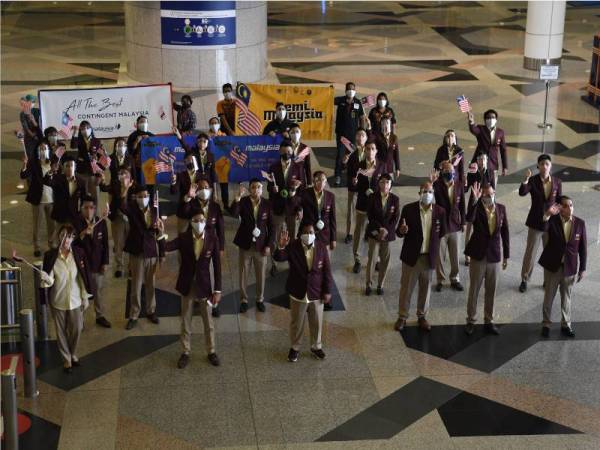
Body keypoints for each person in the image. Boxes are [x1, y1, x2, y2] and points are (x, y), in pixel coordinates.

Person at [163, 211, 221, 368]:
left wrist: (218, 290)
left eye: (202, 219)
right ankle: (185, 351)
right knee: (185, 319)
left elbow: (217, 265)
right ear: (191, 222)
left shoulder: (212, 238)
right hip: (187, 284)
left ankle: (211, 351)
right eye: (196, 220)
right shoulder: (184, 237)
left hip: (205, 285)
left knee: (208, 321)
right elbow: (168, 247)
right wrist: (161, 235)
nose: (200, 222)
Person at [275, 223, 333, 362]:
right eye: (306, 232)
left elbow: (327, 271)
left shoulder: (321, 248)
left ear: (315, 233)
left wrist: (327, 291)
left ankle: (316, 346)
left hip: (316, 292)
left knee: (317, 322)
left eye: (311, 232)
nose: (309, 235)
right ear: (301, 234)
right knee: (297, 323)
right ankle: (295, 348)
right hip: (297, 291)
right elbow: (279, 257)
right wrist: (281, 246)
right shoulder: (293, 246)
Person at [394, 182, 446, 332]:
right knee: (406, 288)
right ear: (419, 193)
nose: (427, 194)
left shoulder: (440, 212)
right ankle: (402, 316)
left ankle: (422, 316)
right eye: (424, 191)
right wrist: (403, 231)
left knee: (425, 288)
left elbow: (441, 233)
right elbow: (399, 232)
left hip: (428, 257)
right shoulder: (408, 209)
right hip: (411, 256)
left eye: (430, 191)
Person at [40, 224, 92, 373]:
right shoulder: (51, 256)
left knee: (77, 328)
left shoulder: (78, 253)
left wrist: (85, 297)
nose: (66, 239)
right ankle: (67, 359)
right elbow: (50, 280)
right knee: (61, 332)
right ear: (59, 237)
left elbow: (82, 277)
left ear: (73, 238)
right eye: (63, 235)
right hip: (58, 300)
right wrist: (46, 277)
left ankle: (73, 353)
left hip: (75, 299)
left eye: (69, 236)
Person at [464, 182, 509, 335]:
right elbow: (468, 218)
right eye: (485, 195)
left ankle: (489, 320)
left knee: (492, 290)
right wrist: (474, 201)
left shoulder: (501, 209)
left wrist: (506, 255)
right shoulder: (477, 208)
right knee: (474, 290)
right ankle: (471, 320)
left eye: (490, 194)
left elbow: (505, 232)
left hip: (495, 256)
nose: (488, 197)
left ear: (494, 192)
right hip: (478, 255)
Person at [538, 197, 586, 338]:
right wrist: (547, 215)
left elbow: (583, 248)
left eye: (571, 205)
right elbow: (543, 228)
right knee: (549, 297)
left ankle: (566, 324)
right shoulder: (552, 220)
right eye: (565, 206)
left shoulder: (580, 223)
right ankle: (546, 324)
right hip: (553, 266)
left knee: (567, 298)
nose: (569, 208)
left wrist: (582, 268)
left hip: (569, 267)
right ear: (560, 208)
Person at [120, 184, 166, 329]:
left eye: (146, 196)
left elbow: (160, 233)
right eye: (140, 196)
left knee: (151, 284)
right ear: (136, 198)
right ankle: (134, 314)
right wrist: (125, 189)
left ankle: (151, 311)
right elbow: (122, 206)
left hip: (151, 251)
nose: (143, 198)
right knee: (136, 285)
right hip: (137, 252)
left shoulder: (155, 210)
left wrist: (162, 253)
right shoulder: (132, 209)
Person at [179, 179, 225, 318]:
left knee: (210, 272)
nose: (204, 190)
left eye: (206, 187)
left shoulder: (215, 207)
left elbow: (220, 228)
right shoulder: (192, 204)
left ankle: (214, 304)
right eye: (201, 187)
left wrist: (221, 247)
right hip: (194, 242)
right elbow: (183, 212)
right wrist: (188, 197)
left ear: (210, 189)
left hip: (210, 244)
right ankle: (197, 299)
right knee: (196, 272)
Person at [518, 154, 562, 292]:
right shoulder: (533, 180)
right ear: (538, 166)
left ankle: (547, 280)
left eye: (547, 164)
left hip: (551, 224)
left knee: (549, 253)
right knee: (530, 253)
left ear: (551, 166)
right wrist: (525, 180)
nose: (544, 166)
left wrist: (556, 214)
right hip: (535, 223)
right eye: (542, 164)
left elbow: (559, 202)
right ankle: (525, 279)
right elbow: (522, 192)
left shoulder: (557, 182)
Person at [231, 179, 275, 313]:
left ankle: (259, 299)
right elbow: (234, 213)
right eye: (253, 187)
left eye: (259, 187)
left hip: (261, 245)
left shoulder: (267, 204)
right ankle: (244, 299)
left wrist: (268, 245)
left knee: (261, 274)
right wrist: (237, 199)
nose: (256, 190)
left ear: (262, 189)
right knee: (243, 273)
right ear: (250, 189)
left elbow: (272, 227)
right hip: (245, 243)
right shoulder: (243, 202)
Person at [267, 140, 305, 275]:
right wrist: (273, 189)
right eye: (284, 152)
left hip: (292, 208)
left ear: (292, 152)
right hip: (277, 208)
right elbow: (268, 188)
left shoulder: (298, 167)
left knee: (293, 238)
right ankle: (274, 263)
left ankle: (292, 262)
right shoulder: (273, 167)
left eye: (289, 152)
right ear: (279, 152)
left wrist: (300, 208)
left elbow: (302, 191)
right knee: (274, 236)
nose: (287, 154)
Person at [73, 195, 111, 328]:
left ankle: (99, 315)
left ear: (95, 209)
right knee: (81, 292)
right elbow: (73, 244)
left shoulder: (101, 222)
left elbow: (106, 244)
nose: (89, 210)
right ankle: (81, 319)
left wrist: (105, 262)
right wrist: (83, 233)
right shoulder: (76, 223)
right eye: (86, 208)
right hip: (83, 265)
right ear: (81, 209)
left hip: (97, 263)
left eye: (92, 207)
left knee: (98, 291)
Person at [364, 174, 400, 295]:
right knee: (372, 259)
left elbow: (395, 218)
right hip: (374, 232)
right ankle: (368, 284)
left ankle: (380, 285)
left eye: (387, 183)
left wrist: (386, 230)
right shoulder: (372, 197)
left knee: (385, 260)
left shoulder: (395, 199)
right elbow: (370, 216)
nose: (385, 185)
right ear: (379, 184)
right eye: (382, 182)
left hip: (387, 235)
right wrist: (380, 229)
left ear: (390, 185)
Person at [433, 161, 466, 292]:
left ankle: (455, 278)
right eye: (446, 171)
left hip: (455, 225)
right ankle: (440, 279)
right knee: (439, 255)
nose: (449, 173)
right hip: (441, 225)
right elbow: (429, 198)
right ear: (442, 172)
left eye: (451, 171)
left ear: (454, 172)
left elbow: (462, 204)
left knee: (455, 254)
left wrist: (463, 222)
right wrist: (432, 182)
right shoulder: (436, 185)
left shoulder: (459, 185)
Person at [352, 141, 384, 274]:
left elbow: (386, 184)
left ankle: (376, 260)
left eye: (372, 149)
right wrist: (356, 184)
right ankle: (357, 260)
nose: (370, 151)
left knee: (376, 231)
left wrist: (376, 193)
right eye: (368, 149)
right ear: (364, 151)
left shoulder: (381, 166)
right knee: (359, 232)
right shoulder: (359, 165)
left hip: (377, 205)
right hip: (362, 204)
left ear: (376, 151)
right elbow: (355, 185)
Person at [21, 140, 55, 256]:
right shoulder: (33, 163)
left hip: (51, 200)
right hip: (38, 200)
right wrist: (24, 165)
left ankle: (51, 244)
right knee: (37, 224)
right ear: (37, 151)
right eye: (41, 149)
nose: (43, 150)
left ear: (48, 150)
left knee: (51, 225)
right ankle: (37, 246)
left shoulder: (53, 163)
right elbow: (24, 175)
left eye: (45, 148)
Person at [293, 171, 337, 261]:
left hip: (325, 236)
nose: (320, 183)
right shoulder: (305, 193)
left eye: (323, 180)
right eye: (318, 180)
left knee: (325, 261)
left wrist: (333, 239)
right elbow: (296, 204)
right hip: (308, 234)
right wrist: (299, 210)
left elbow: (332, 219)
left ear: (326, 182)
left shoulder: (330, 196)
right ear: (313, 181)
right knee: (308, 261)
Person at [100, 167, 133, 278]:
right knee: (118, 244)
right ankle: (119, 266)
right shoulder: (114, 185)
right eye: (121, 175)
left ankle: (131, 266)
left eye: (126, 175)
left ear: (130, 177)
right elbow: (106, 192)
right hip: (118, 217)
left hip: (131, 219)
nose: (123, 178)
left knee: (132, 242)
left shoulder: (134, 186)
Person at [464, 152, 494, 266]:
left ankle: (480, 252)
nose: (482, 161)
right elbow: (465, 189)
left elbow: (493, 190)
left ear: (487, 160)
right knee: (469, 230)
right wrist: (465, 183)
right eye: (480, 159)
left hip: (485, 205)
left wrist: (492, 205)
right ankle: (467, 255)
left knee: (483, 229)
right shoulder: (472, 172)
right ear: (477, 160)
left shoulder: (490, 172)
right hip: (473, 204)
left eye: (484, 159)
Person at [334, 82, 367, 186]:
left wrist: (362, 130)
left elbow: (361, 117)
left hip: (353, 136)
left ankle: (352, 174)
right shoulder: (340, 101)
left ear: (355, 90)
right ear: (345, 90)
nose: (350, 91)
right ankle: (338, 175)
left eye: (352, 89)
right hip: (341, 135)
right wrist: (329, 91)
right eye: (348, 89)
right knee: (340, 155)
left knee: (352, 155)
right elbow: (329, 99)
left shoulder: (358, 103)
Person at [45, 154, 87, 232]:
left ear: (75, 167)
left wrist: (81, 213)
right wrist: (51, 171)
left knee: (74, 238)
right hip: (61, 214)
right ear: (64, 168)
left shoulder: (81, 181)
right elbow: (47, 182)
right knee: (59, 237)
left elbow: (84, 198)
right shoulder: (58, 179)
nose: (70, 168)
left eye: (72, 165)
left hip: (74, 215)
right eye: (67, 166)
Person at [170, 150, 208, 233]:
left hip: (199, 212)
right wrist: (173, 182)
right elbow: (173, 191)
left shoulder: (202, 175)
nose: (191, 161)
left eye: (193, 160)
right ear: (185, 161)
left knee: (198, 238)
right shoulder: (180, 175)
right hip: (184, 211)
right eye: (189, 160)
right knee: (182, 237)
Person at [467, 109, 507, 186]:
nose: (491, 119)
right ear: (485, 120)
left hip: (493, 164)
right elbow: (474, 130)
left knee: (492, 188)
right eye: (488, 117)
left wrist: (505, 166)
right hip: (480, 163)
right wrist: (471, 122)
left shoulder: (500, 132)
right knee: (478, 185)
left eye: (493, 117)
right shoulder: (481, 129)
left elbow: (503, 149)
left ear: (496, 119)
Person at [342, 128, 368, 244]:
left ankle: (366, 232)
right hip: (353, 187)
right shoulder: (350, 152)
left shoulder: (370, 151)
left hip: (366, 188)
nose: (360, 137)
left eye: (363, 135)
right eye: (358, 135)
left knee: (367, 211)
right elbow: (345, 169)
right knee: (351, 211)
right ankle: (349, 233)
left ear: (366, 138)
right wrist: (344, 162)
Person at [70, 121, 103, 201]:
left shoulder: (97, 141)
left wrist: (99, 175)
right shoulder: (79, 140)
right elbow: (73, 146)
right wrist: (74, 133)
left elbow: (102, 157)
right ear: (80, 130)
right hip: (81, 172)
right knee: (82, 195)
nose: (85, 130)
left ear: (91, 129)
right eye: (83, 128)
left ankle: (95, 213)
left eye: (87, 128)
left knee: (94, 195)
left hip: (93, 172)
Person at [127, 115, 154, 184]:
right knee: (137, 185)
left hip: (149, 166)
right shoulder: (132, 136)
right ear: (137, 124)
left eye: (145, 122)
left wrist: (150, 140)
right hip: (136, 167)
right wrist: (136, 141)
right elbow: (129, 152)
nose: (143, 123)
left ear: (147, 124)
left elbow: (156, 151)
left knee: (150, 187)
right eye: (141, 122)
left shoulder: (152, 136)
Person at [19, 94, 41, 158]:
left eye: (33, 102)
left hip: (39, 134)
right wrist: (33, 136)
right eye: (29, 102)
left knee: (39, 155)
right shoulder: (22, 114)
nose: (31, 103)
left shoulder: (37, 111)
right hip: (29, 138)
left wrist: (38, 134)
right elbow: (26, 127)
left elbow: (40, 123)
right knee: (31, 156)